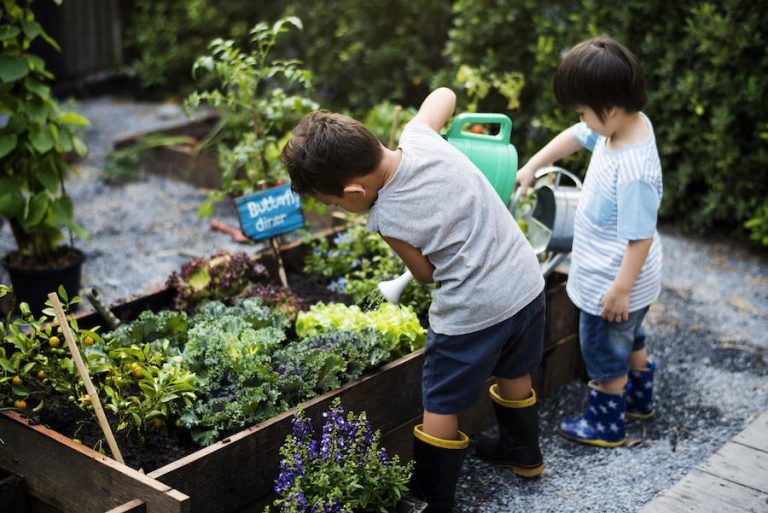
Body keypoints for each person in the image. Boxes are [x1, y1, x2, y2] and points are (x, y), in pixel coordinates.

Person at [282, 87, 546, 512]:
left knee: (439, 401)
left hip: (474, 309)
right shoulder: (420, 136)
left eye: (333, 202)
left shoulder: (384, 216)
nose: (340, 207)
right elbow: (444, 94)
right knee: (515, 368)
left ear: (353, 192)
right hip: (524, 281)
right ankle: (524, 454)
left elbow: (424, 274)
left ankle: (432, 497)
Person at [516, 36, 662, 447]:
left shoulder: (632, 169)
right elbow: (578, 136)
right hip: (632, 283)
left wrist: (620, 289)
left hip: (614, 283)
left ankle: (606, 424)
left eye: (584, 110)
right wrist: (534, 165)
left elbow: (640, 237)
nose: (582, 118)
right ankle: (639, 399)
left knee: (603, 352)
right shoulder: (622, 126)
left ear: (609, 108)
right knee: (631, 337)